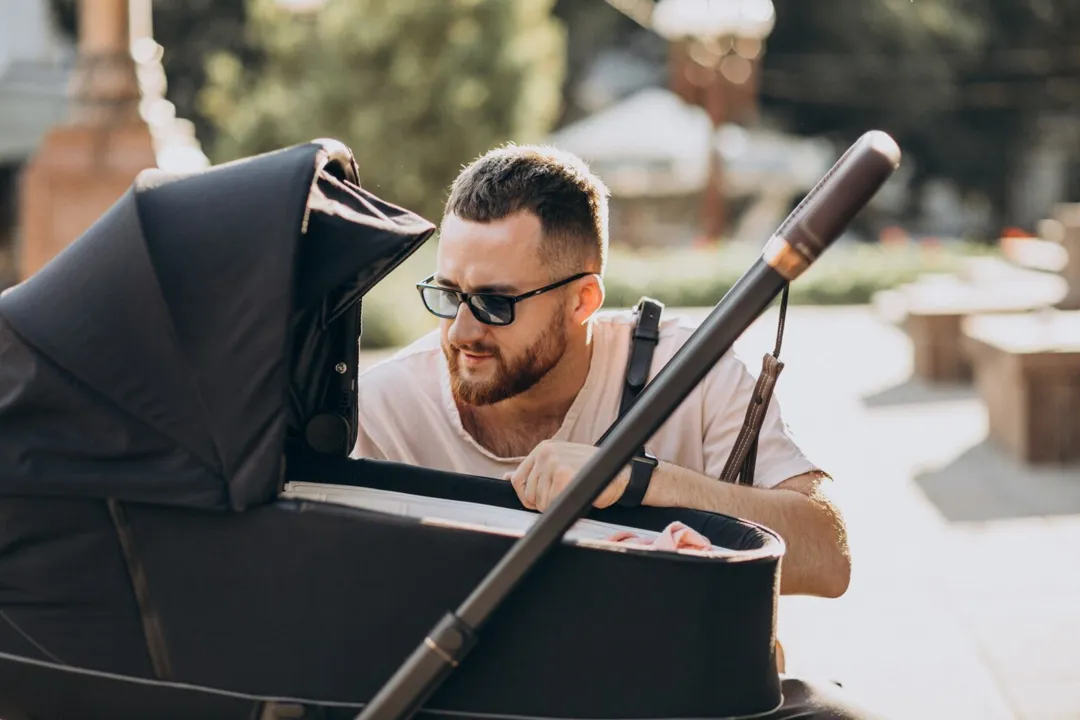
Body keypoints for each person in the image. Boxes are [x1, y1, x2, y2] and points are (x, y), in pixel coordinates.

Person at [353, 144, 886, 719]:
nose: (461, 330)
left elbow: (829, 558)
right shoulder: (383, 409)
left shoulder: (692, 374)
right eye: (449, 294)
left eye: (494, 303)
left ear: (582, 299)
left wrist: (640, 483)